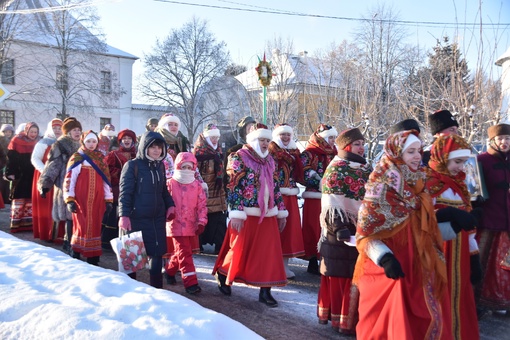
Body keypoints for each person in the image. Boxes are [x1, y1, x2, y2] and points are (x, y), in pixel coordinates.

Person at [353, 130, 477, 339]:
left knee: (423, 321)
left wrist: (451, 228)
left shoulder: (418, 183)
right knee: (390, 326)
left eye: (419, 151)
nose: (418, 156)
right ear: (396, 153)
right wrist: (385, 258)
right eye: (411, 152)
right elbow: (366, 235)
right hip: (390, 272)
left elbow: (420, 226)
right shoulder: (380, 187)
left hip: (418, 267)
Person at [213, 123, 288, 307]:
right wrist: (237, 213)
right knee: (238, 249)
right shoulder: (238, 157)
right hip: (245, 213)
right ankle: (223, 274)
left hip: (268, 213)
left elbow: (275, 186)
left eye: (267, 141)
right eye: (262, 140)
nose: (265, 144)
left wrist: (281, 211)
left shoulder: (271, 160)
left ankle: (265, 290)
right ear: (253, 140)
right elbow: (233, 186)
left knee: (269, 253)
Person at [317, 128, 372, 334]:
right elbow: (331, 203)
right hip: (340, 231)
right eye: (357, 144)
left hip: (363, 227)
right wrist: (339, 226)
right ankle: (340, 319)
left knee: (357, 276)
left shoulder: (367, 168)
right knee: (342, 275)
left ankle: (355, 319)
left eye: (362, 143)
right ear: (347, 146)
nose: (361, 147)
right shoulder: (336, 168)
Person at [427, 134, 481, 339]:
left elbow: (468, 229)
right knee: (439, 300)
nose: (461, 167)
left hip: (460, 258)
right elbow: (420, 221)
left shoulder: (460, 185)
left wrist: (474, 257)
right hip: (438, 253)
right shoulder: (428, 183)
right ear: (443, 157)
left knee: (459, 301)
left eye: (463, 162)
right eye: (457, 161)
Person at [118, 131, 175, 288]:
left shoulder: (160, 166)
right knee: (132, 260)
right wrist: (123, 215)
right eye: (152, 147)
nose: (157, 150)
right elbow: (125, 193)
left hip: (156, 219)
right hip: (136, 219)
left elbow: (163, 190)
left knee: (156, 255)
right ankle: (130, 292)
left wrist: (170, 205)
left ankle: (157, 291)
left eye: (159, 147)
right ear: (145, 147)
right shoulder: (132, 166)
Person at [64, 130, 113, 265]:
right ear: (83, 142)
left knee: (96, 225)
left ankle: (93, 256)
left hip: (97, 198)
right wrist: (70, 198)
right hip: (81, 197)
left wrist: (108, 199)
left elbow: (106, 181)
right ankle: (76, 251)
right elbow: (70, 179)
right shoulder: (77, 157)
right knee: (81, 224)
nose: (91, 144)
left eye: (94, 142)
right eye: (88, 141)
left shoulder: (101, 158)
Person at [476, 123, 510, 313]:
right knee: (483, 262)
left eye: (507, 138)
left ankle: (503, 300)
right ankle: (479, 301)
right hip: (488, 220)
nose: (504, 142)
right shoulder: (482, 160)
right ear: (493, 141)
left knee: (504, 265)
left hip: (507, 220)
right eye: (500, 139)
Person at [164, 152, 207, 294]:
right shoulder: (170, 183)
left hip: (191, 224)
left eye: (190, 167)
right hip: (175, 223)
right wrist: (167, 213)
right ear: (178, 166)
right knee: (185, 252)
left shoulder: (197, 185)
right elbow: (164, 201)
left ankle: (170, 271)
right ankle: (190, 283)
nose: (187, 170)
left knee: (181, 252)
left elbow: (202, 205)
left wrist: (201, 222)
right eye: (184, 167)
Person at [38, 117, 82, 252]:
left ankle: (74, 242)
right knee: (69, 215)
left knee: (77, 215)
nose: (78, 132)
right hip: (65, 183)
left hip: (80, 184)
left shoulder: (83, 145)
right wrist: (45, 184)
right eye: (74, 130)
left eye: (79, 130)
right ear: (68, 132)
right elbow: (52, 165)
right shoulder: (60, 144)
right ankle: (69, 243)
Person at [300, 124, 338, 274]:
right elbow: (304, 171)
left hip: (331, 197)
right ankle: (311, 259)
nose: (333, 140)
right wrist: (320, 183)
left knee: (328, 227)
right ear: (323, 138)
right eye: (330, 137)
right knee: (313, 227)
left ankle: (325, 257)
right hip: (314, 196)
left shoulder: (335, 153)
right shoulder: (309, 153)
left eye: (334, 137)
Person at [269, 123, 305, 279]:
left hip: (290, 194)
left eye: (288, 135)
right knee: (274, 230)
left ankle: (285, 265)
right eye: (282, 134)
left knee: (289, 230)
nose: (285, 137)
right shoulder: (270, 151)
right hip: (275, 194)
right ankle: (271, 264)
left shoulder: (295, 152)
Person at [194, 123, 227, 254]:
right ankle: (198, 245)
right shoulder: (198, 152)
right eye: (212, 137)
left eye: (216, 138)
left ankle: (219, 246)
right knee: (202, 217)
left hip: (218, 192)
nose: (215, 140)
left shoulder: (217, 151)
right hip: (204, 192)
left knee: (219, 219)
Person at [102, 129, 137, 250]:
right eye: (124, 139)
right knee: (115, 215)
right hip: (118, 190)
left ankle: (129, 245)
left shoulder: (137, 155)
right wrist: (123, 174)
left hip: (134, 190)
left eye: (129, 139)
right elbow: (106, 170)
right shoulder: (113, 154)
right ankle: (110, 243)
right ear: (120, 141)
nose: (127, 141)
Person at [31, 118, 63, 241]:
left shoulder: (64, 142)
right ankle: (46, 233)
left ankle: (59, 234)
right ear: (50, 128)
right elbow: (35, 159)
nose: (57, 130)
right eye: (55, 128)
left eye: (60, 128)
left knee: (59, 204)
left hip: (59, 177)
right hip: (44, 176)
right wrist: (46, 171)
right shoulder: (43, 142)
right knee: (46, 205)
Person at [5, 122, 40, 232]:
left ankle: (28, 224)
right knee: (19, 198)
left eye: (35, 132)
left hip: (32, 174)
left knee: (30, 199)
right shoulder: (17, 140)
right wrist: (11, 172)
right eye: (31, 131)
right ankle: (15, 224)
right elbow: (11, 159)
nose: (33, 134)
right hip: (20, 175)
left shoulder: (37, 142)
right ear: (26, 131)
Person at [0, 124, 15, 204]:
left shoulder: (13, 140)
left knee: (9, 183)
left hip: (10, 164)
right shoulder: (1, 140)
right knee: (2, 183)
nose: (8, 133)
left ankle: (7, 199)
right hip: (2, 165)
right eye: (6, 131)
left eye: (10, 132)